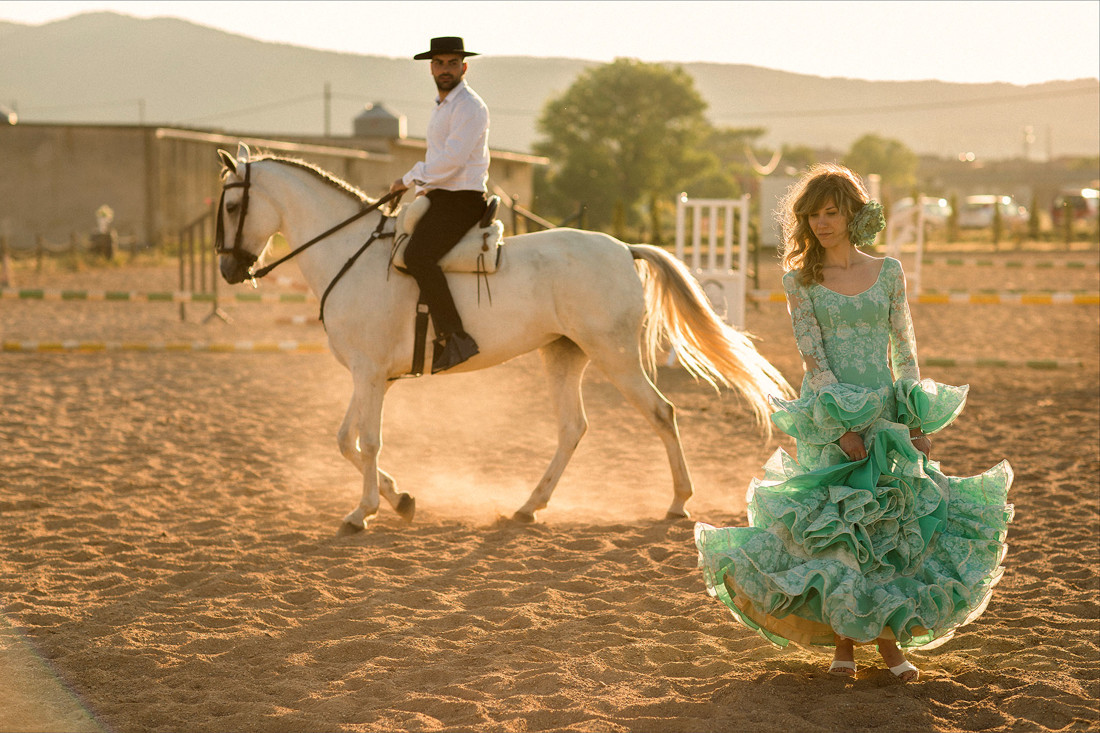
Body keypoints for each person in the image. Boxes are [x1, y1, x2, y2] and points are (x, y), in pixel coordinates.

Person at [694, 163, 1014, 682]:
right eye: (813, 214)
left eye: (832, 212)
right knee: (838, 529)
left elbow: (904, 351)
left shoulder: (889, 272)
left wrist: (914, 419)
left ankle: (884, 646)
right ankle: (846, 648)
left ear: (851, 214)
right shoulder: (800, 280)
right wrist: (841, 427)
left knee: (886, 528)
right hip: (828, 415)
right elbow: (813, 358)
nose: (822, 223)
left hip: (886, 414)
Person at [389, 36, 490, 374]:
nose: (445, 69)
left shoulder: (470, 107)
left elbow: (452, 161)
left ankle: (456, 337)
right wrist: (425, 190)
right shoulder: (444, 104)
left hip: (462, 200)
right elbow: (440, 160)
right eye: (439, 63)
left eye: (451, 63)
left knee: (417, 255)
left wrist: (408, 179)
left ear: (464, 67)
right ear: (431, 67)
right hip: (442, 195)